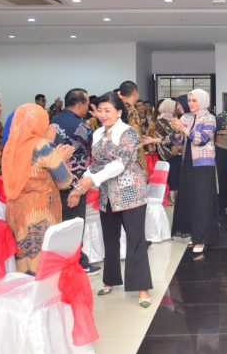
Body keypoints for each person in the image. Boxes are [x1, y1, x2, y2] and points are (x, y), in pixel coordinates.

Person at [75, 92, 153, 308]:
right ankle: (110, 280)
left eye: (107, 110)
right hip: (107, 194)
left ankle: (142, 287)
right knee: (110, 239)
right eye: (100, 110)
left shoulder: (128, 132)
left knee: (135, 240)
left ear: (119, 112)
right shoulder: (97, 133)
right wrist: (83, 181)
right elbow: (96, 163)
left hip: (130, 193)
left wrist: (92, 181)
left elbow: (120, 164)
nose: (103, 114)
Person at [3, 104, 74, 274]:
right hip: (39, 210)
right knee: (40, 264)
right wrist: (61, 158)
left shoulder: (10, 146)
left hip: (15, 210)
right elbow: (64, 181)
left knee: (22, 259)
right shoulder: (42, 146)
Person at [50, 88, 99, 274]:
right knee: (75, 225)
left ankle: (63, 261)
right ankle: (77, 263)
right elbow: (97, 149)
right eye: (87, 104)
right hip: (75, 184)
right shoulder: (82, 128)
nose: (88, 108)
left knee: (61, 224)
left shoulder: (54, 120)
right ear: (80, 104)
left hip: (55, 180)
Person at [170, 89, 219, 254]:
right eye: (189, 100)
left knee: (202, 200)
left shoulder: (209, 118)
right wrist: (176, 131)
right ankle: (195, 233)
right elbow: (177, 141)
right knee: (190, 199)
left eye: (194, 100)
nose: (191, 103)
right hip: (187, 163)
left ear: (203, 101)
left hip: (203, 164)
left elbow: (202, 139)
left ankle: (202, 238)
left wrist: (183, 129)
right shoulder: (185, 117)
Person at [143, 98, 182, 204]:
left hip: (179, 152)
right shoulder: (160, 122)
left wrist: (178, 146)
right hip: (168, 153)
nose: (177, 108)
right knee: (172, 177)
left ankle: (179, 198)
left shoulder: (175, 119)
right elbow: (163, 138)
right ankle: (173, 198)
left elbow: (180, 135)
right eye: (175, 106)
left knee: (178, 176)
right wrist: (174, 146)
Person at [116, 80, 147, 173]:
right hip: (130, 160)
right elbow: (137, 140)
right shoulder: (132, 111)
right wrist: (143, 166)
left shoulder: (115, 108)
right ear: (135, 93)